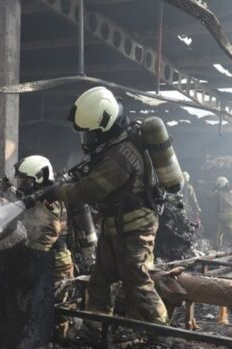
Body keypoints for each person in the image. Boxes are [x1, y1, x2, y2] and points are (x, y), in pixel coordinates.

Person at [24, 86, 168, 325]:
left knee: (137, 282)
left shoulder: (121, 155)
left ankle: (164, 333)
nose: (87, 140)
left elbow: (89, 190)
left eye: (90, 134)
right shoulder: (114, 147)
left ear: (105, 125)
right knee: (99, 282)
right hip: (116, 228)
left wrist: (57, 191)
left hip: (134, 231)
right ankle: (94, 332)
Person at [13, 155, 74, 298]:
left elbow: (48, 234)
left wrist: (29, 261)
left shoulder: (47, 202)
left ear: (39, 178)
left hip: (55, 265)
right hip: (46, 260)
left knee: (52, 310)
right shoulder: (36, 201)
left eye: (26, 181)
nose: (22, 186)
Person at [213, 176, 232, 250]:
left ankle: (217, 247)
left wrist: (215, 189)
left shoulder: (218, 193)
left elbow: (209, 197)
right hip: (231, 216)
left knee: (218, 232)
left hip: (220, 216)